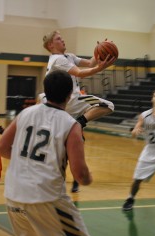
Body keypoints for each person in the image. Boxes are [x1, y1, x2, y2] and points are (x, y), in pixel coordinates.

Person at [0, 70, 95, 236]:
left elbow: (0, 148)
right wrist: (88, 178)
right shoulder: (71, 125)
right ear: (70, 95)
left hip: (13, 198)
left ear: (45, 91)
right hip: (46, 199)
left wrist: (25, 160)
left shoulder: (25, 113)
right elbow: (80, 174)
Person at [40, 30, 116, 192]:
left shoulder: (68, 56)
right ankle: (80, 122)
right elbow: (80, 73)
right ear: (51, 45)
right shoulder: (58, 59)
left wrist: (100, 50)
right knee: (108, 106)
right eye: (59, 39)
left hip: (62, 106)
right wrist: (100, 68)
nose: (63, 40)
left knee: (69, 145)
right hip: (69, 100)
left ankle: (69, 179)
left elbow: (89, 63)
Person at [122, 88, 155, 211]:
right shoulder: (144, 115)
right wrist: (136, 131)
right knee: (137, 179)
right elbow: (134, 131)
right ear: (152, 98)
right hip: (150, 150)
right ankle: (130, 198)